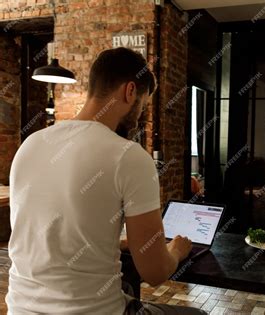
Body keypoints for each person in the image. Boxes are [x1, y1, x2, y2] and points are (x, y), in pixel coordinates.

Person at [7, 47, 206, 314]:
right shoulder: (129, 156)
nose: (140, 115)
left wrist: (117, 241)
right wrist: (176, 250)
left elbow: (54, 231)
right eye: (143, 105)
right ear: (130, 91)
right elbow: (156, 271)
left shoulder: (30, 144)